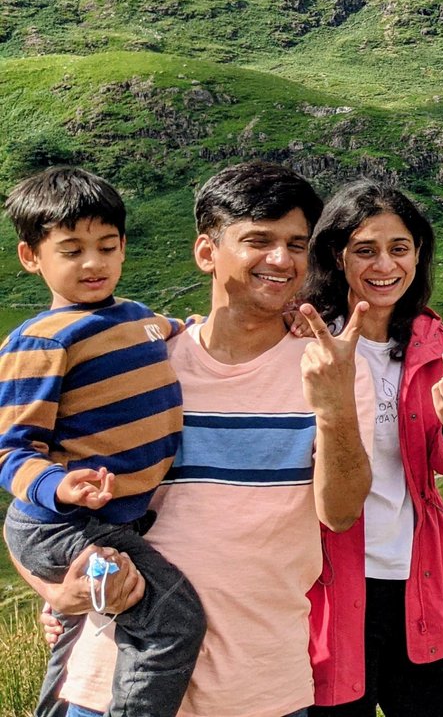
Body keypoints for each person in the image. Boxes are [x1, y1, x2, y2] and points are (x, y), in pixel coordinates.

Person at [44, 161, 373, 717]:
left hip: (263, 688)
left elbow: (339, 513)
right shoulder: (143, 363)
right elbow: (40, 498)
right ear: (206, 252)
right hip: (114, 682)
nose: (282, 259)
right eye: (258, 241)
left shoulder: (334, 367)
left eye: (296, 244)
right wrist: (52, 589)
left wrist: (335, 405)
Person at [0, 166, 206, 717]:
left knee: (71, 644)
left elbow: (176, 328)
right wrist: (59, 486)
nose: (93, 263)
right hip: (62, 522)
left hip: (111, 518)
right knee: (172, 620)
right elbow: (11, 450)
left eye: (106, 246)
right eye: (71, 250)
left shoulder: (138, 318)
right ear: (31, 257)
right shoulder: (41, 341)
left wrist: (197, 326)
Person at [301, 181, 443, 716]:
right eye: (366, 250)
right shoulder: (305, 341)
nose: (385, 264)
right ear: (336, 257)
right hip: (331, 582)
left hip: (416, 575)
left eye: (399, 248)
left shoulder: (431, 340)